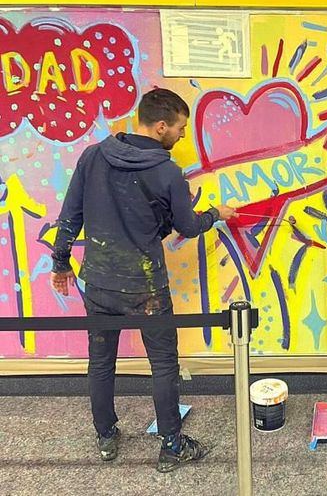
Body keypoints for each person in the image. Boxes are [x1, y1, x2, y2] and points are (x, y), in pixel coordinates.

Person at [50, 88, 237, 473]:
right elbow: (185, 225)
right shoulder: (167, 172)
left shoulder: (93, 156)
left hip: (99, 283)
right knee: (164, 364)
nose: (183, 136)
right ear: (161, 126)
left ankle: (106, 437)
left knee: (101, 362)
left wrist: (61, 263)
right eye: (181, 129)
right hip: (146, 287)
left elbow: (70, 214)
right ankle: (171, 446)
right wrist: (216, 213)